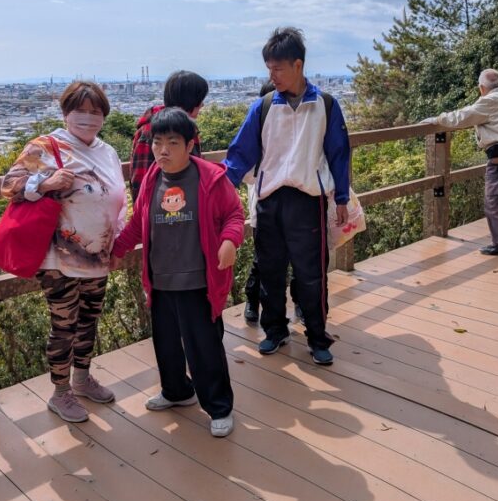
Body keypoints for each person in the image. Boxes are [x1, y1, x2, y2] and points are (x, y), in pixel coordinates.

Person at [112, 107, 244, 438]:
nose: (163, 151)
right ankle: (176, 391)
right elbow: (137, 225)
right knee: (166, 344)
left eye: (172, 143)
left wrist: (229, 242)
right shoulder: (151, 181)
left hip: (199, 280)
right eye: (157, 143)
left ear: (190, 145)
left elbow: (234, 215)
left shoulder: (210, 178)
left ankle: (219, 406)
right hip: (161, 280)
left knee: (204, 347)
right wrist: (116, 250)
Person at [1, 80, 126, 423]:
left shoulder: (107, 152)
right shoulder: (46, 145)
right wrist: (45, 183)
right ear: (65, 113)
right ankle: (60, 393)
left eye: (95, 111)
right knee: (64, 324)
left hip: (99, 253)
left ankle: (83, 379)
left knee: (89, 320)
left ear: (104, 116)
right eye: (80, 111)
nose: (87, 118)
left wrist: (118, 242)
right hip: (60, 257)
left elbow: (120, 200)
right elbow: (8, 184)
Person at [224, 27, 350, 366]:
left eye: (278, 68)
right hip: (269, 201)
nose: (272, 75)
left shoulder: (325, 105)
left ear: (298, 64)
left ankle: (318, 337)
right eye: (269, 69)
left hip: (307, 200)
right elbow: (239, 154)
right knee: (270, 270)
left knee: (311, 273)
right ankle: (275, 330)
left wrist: (341, 201)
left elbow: (339, 153)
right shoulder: (264, 106)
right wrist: (221, 191)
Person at [422, 69, 498, 255]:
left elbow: (463, 116)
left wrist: (437, 119)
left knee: (495, 200)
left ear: (481, 87)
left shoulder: (489, 100)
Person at [243, 80, 303, 325]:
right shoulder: (256, 132)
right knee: (264, 261)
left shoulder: (298, 132)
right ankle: (253, 302)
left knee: (298, 260)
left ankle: (299, 304)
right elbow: (246, 171)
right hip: (264, 209)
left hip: (296, 209)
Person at [129, 70, 209, 203]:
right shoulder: (151, 130)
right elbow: (141, 180)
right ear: (190, 100)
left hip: (185, 206)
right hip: (161, 209)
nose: (202, 104)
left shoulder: (187, 128)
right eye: (200, 99)